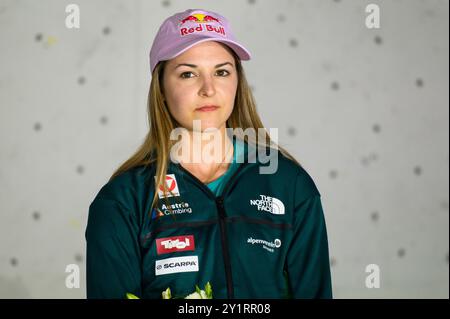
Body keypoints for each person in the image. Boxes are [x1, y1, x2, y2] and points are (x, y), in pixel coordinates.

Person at [85, 8, 332, 299]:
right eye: (188, 74)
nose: (209, 89)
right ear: (161, 88)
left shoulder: (288, 185)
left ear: (237, 83)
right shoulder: (123, 201)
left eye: (222, 71)